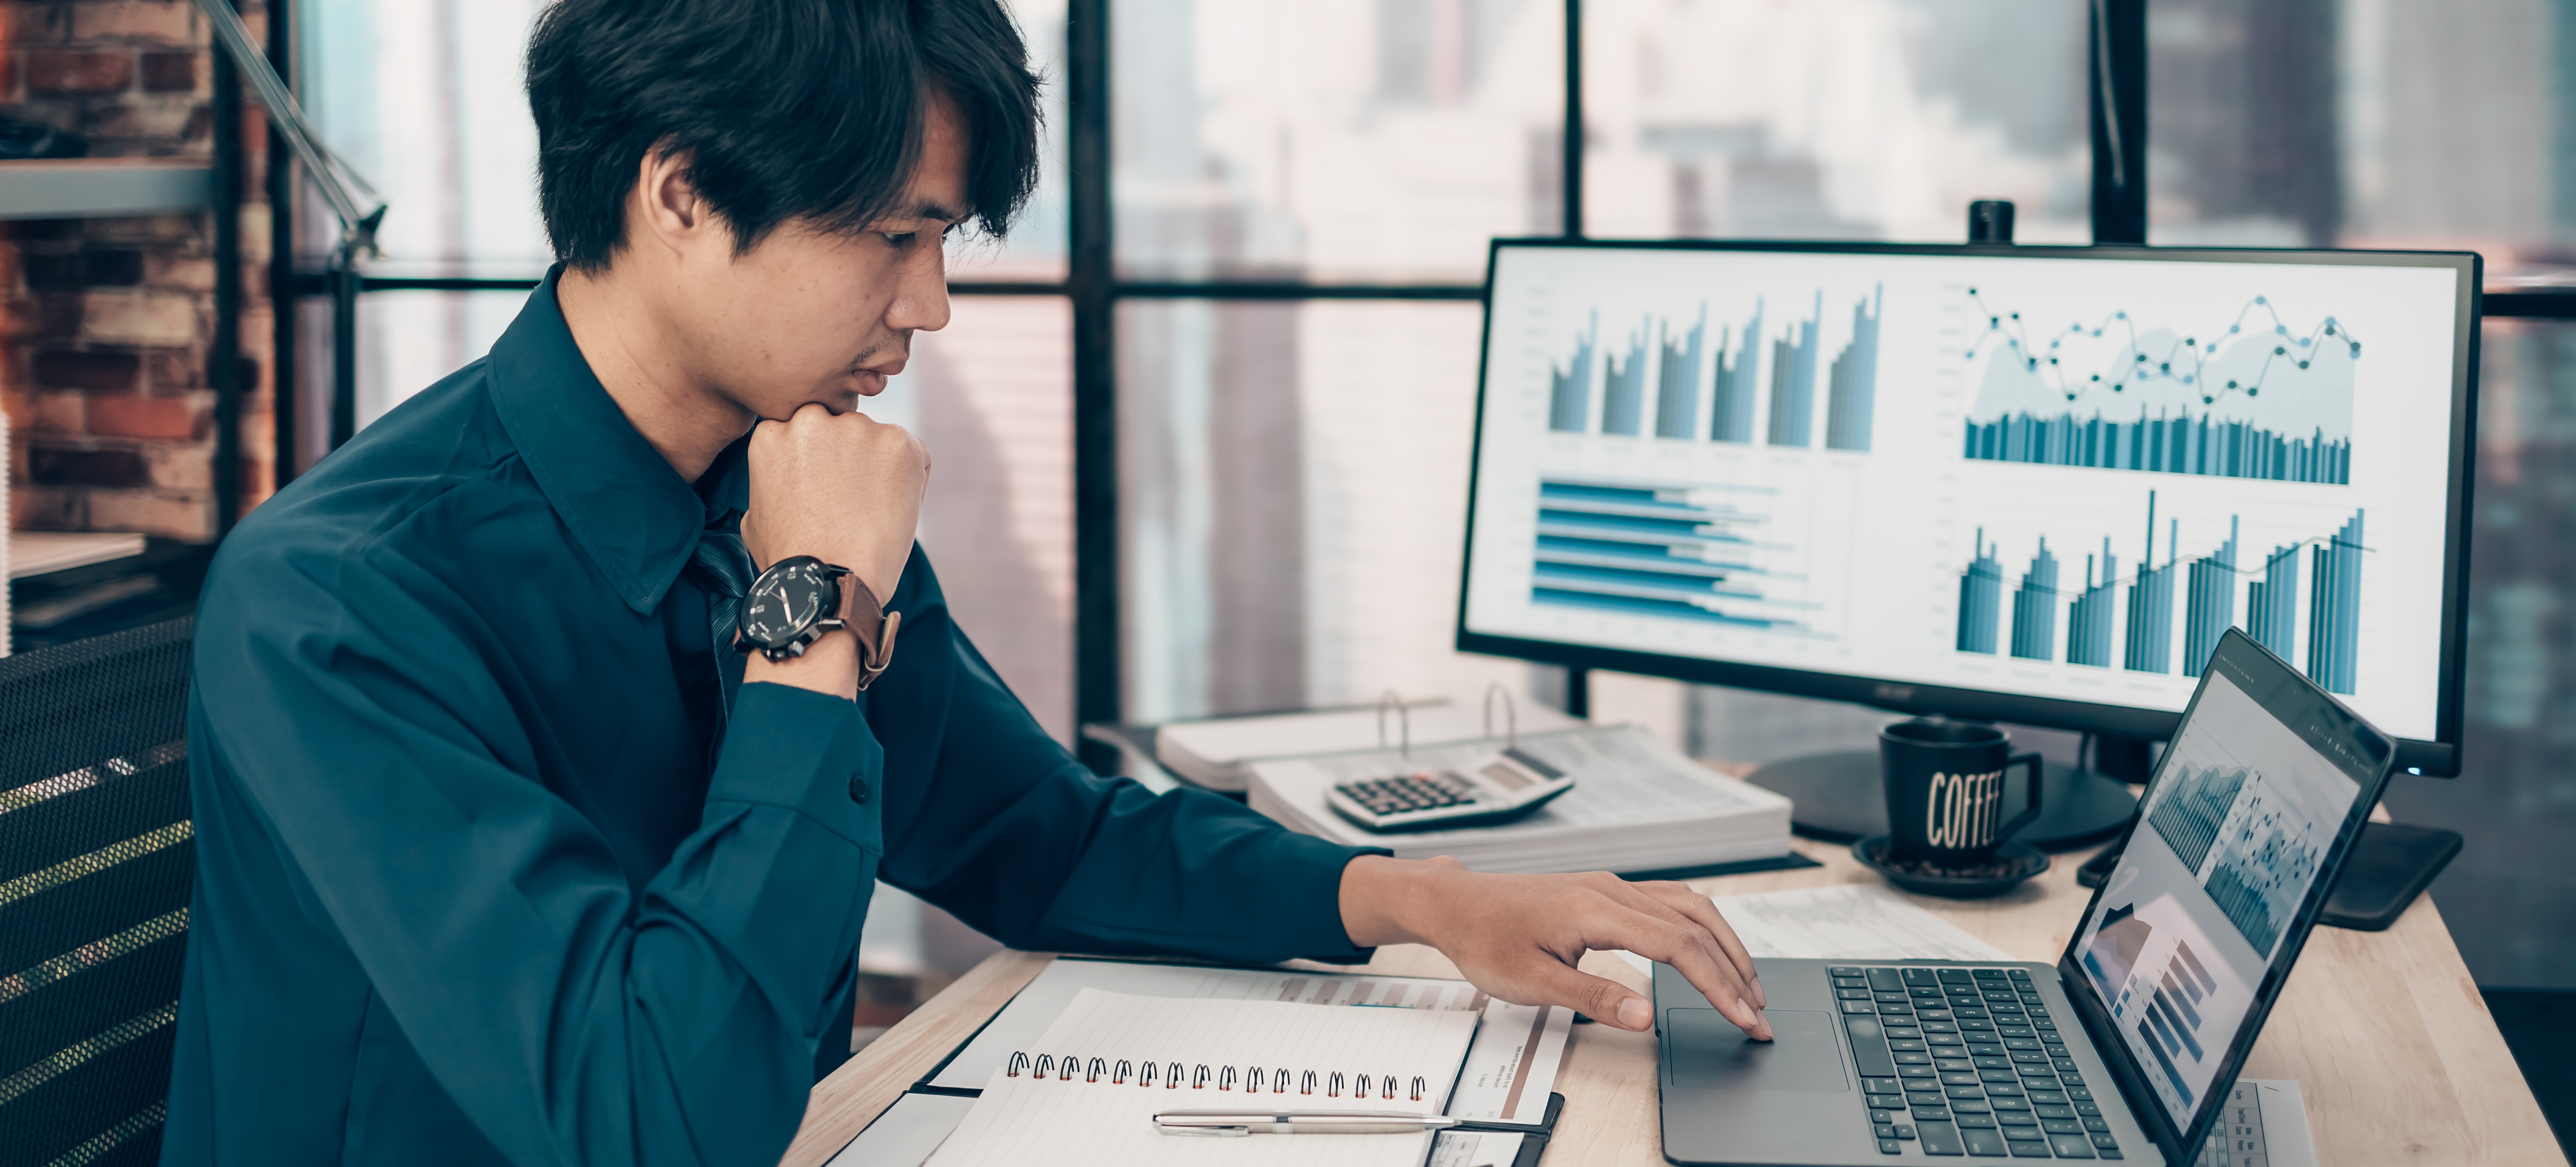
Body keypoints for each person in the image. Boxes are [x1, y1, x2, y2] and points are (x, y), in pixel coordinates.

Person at [163, 1, 1771, 1163]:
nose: (931, 307)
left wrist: (1424, 901)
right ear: (678, 194)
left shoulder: (784, 477)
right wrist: (809, 614)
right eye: (892, 236)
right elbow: (652, 1112)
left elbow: (1035, 833)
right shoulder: (341, 602)